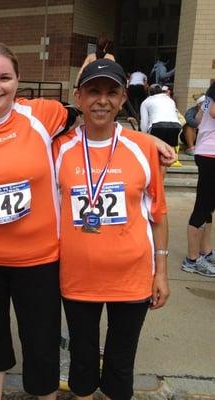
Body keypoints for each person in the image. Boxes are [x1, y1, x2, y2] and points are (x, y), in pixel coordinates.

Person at [0, 42, 175, 400]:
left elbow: (97, 117)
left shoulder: (43, 115)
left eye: (5, 77)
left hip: (39, 260)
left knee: (42, 342)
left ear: (18, 80)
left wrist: (144, 140)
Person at [54, 58, 169, 400]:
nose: (101, 100)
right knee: (82, 360)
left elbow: (158, 215)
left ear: (123, 99)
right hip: (77, 278)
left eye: (111, 92)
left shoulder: (144, 147)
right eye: (93, 91)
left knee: (121, 361)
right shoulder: (59, 149)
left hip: (132, 278)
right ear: (78, 96)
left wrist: (160, 271)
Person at [181, 82, 215, 277]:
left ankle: (205, 251)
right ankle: (192, 260)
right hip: (211, 154)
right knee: (203, 206)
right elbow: (212, 113)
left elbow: (200, 119)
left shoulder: (209, 94)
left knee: (208, 205)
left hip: (206, 152)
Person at [140, 84, 182, 157]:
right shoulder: (170, 100)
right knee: (167, 155)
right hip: (175, 126)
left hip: (158, 126)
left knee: (155, 154)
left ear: (149, 92)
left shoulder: (146, 102)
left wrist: (144, 135)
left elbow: (144, 122)